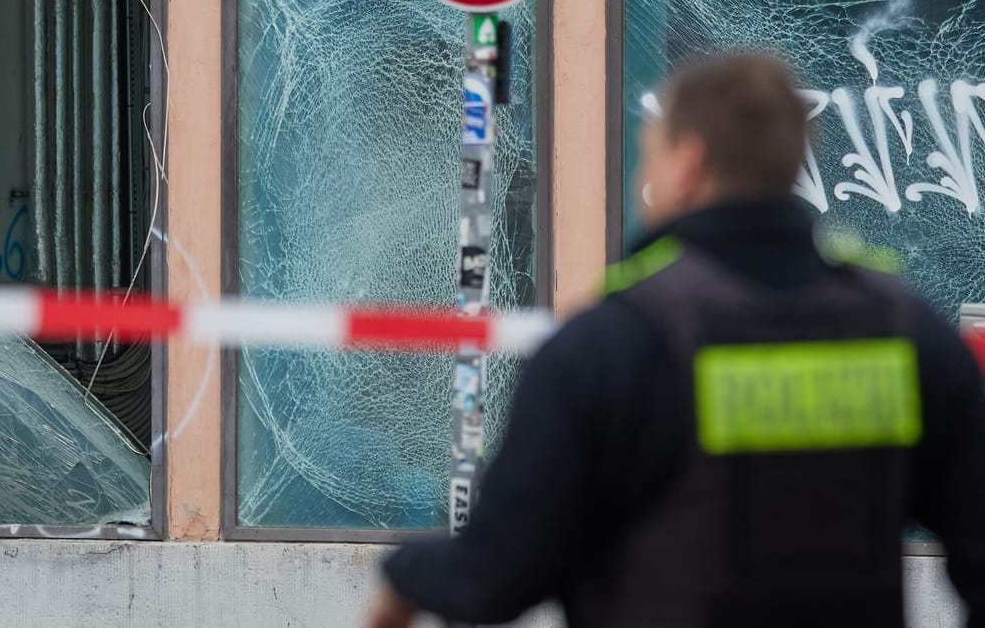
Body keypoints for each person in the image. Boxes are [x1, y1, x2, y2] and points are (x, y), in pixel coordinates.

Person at [368, 52, 985, 628]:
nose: (647, 179)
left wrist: (403, 578)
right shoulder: (906, 335)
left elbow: (496, 574)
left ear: (688, 163)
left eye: (650, 157)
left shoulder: (612, 348)